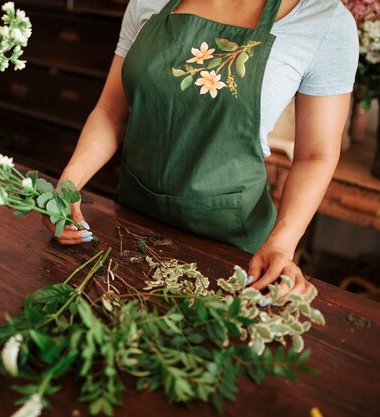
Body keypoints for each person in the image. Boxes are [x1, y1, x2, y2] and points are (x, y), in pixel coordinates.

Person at [42, 0, 359, 302]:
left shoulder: (324, 21)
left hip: (232, 250)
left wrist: (281, 244)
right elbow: (111, 112)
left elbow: (314, 155)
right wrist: (68, 185)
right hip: (130, 228)